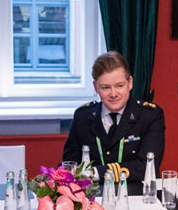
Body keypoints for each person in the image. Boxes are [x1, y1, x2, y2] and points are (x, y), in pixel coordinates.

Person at [62, 52, 165, 194]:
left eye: (119, 86)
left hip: (137, 197)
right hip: (92, 198)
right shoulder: (83, 117)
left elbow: (146, 167)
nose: (114, 94)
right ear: (96, 87)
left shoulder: (149, 115)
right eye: (105, 87)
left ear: (130, 83)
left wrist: (95, 173)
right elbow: (70, 164)